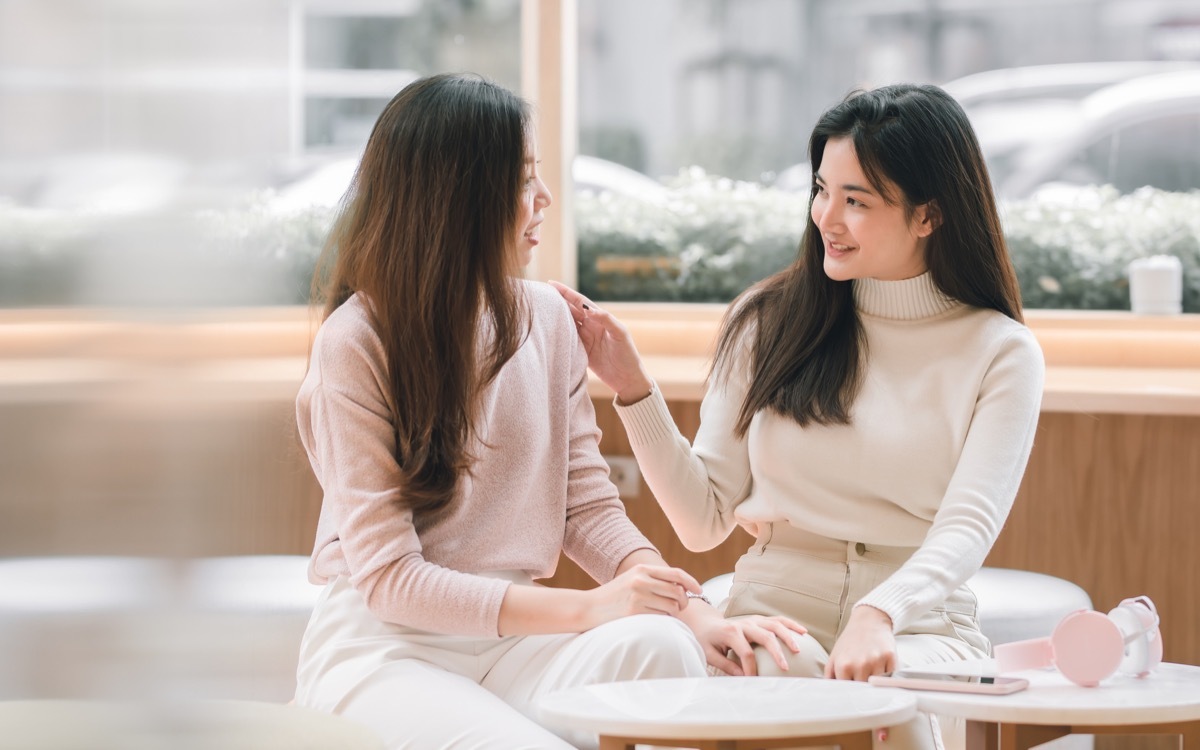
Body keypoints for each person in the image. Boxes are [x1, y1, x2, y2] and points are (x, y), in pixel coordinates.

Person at [291, 73, 805, 750]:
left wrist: (693, 612)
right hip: (386, 648)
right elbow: (391, 579)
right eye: (523, 178)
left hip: (511, 643)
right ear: (459, 197)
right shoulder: (355, 344)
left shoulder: (546, 320)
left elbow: (585, 507)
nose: (545, 199)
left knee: (665, 650)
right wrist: (589, 608)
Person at [554, 83, 1045, 750]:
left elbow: (968, 526)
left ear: (928, 216)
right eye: (821, 190)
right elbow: (702, 520)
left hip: (920, 624)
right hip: (773, 606)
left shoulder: (1001, 352)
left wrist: (879, 613)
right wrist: (632, 388)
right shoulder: (768, 322)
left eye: (856, 201)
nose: (826, 217)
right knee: (773, 680)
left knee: (884, 701)